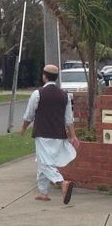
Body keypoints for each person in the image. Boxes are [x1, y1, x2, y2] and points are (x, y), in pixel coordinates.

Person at [20, 64, 79, 204]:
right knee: (44, 161)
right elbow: (68, 119)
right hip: (59, 134)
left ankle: (61, 183)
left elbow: (29, 115)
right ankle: (43, 192)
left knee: (44, 162)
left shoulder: (37, 94)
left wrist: (23, 128)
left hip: (42, 133)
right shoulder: (65, 96)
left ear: (44, 76)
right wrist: (73, 135)